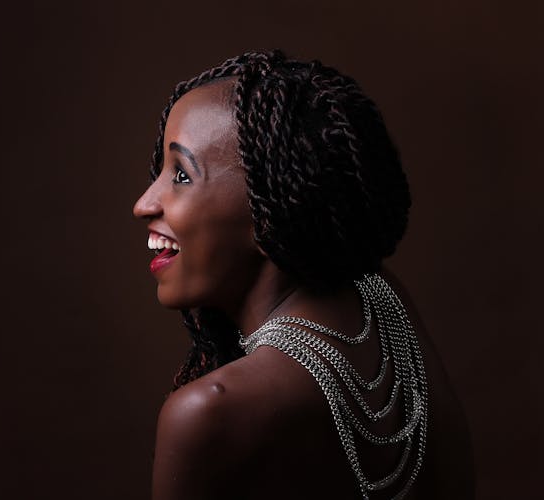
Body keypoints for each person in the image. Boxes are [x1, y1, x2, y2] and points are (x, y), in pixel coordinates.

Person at [133, 50, 473, 500]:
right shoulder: (382, 300)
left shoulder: (206, 412)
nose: (143, 204)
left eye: (180, 175)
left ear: (269, 212)